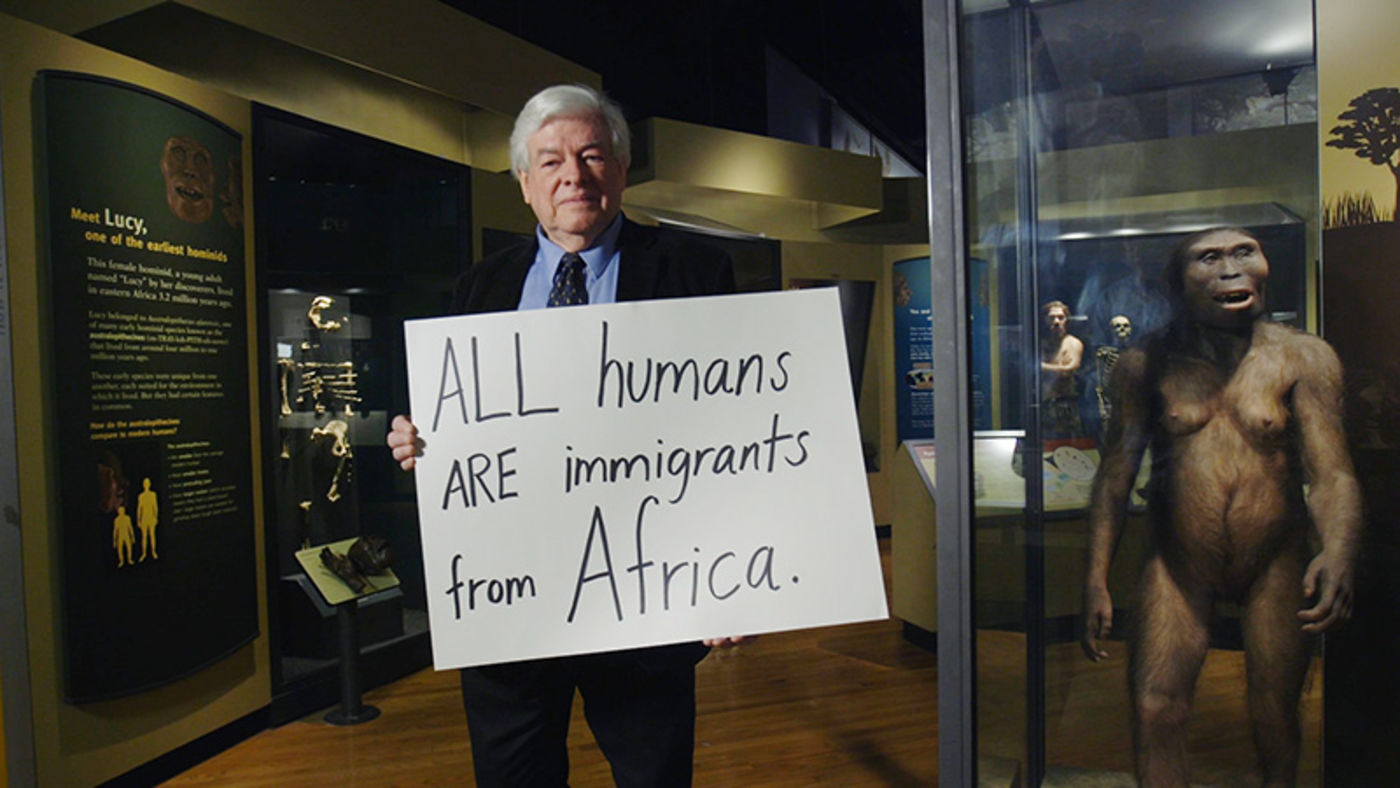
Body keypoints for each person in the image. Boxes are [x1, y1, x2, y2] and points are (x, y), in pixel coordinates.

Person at [387, 83, 745, 787]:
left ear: (621, 168)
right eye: (549, 162)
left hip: (647, 609)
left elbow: (736, 438)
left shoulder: (695, 275)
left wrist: (732, 578)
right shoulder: (476, 289)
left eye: (591, 155)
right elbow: (454, 425)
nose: (572, 176)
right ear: (524, 183)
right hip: (511, 611)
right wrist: (417, 440)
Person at [1081, 227, 1360, 786]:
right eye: (1209, 259)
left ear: (1264, 267)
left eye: (1243, 253)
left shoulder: (1305, 357)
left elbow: (1332, 473)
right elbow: (1115, 475)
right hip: (1177, 562)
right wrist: (1095, 576)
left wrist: (1339, 549)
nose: (1230, 270)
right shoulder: (1144, 363)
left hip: (1275, 561)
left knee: (1275, 716)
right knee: (1157, 708)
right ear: (1178, 283)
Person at [1040, 299, 1084, 437]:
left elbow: (1069, 370)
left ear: (1067, 320)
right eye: (1052, 317)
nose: (1056, 321)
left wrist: (1041, 367)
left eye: (1061, 317)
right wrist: (1058, 367)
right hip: (1045, 403)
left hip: (1067, 404)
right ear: (1045, 320)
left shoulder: (1073, 343)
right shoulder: (1040, 344)